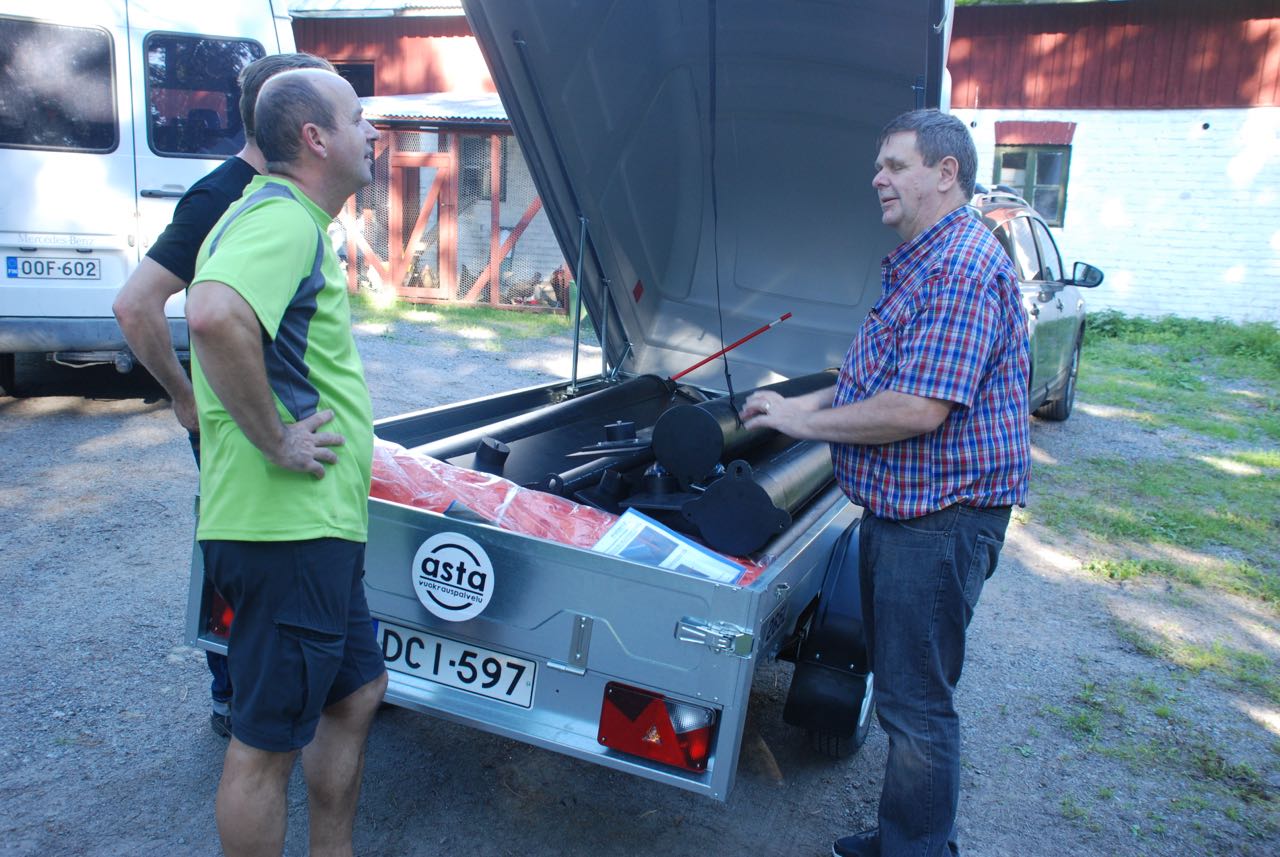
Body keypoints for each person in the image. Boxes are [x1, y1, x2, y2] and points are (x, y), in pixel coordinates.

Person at [740, 109, 1030, 857]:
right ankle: (908, 836)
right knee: (907, 697)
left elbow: (915, 408)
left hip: (940, 525)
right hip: (907, 516)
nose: (878, 177)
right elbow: (869, 380)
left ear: (946, 173)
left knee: (916, 707)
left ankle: (918, 851)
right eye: (880, 165)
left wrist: (803, 430)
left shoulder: (962, 268)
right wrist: (791, 405)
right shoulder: (924, 262)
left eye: (896, 165)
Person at [184, 68, 387, 857]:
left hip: (315, 530)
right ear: (316, 138)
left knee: (358, 689)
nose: (372, 133)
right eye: (358, 118)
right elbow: (211, 314)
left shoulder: (285, 219)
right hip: (285, 531)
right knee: (263, 743)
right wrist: (278, 439)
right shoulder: (284, 219)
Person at [112, 52, 335, 739]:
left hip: (282, 439)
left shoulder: (287, 196)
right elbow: (137, 304)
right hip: (247, 436)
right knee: (240, 555)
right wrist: (184, 397)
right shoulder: (226, 196)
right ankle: (231, 689)